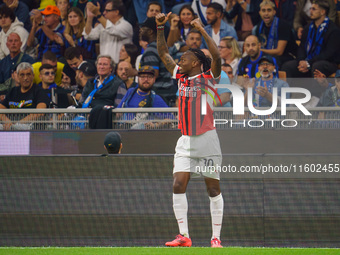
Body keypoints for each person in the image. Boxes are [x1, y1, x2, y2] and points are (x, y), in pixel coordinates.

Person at [156, 13, 224, 248]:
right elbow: (163, 53)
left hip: (207, 140)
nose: (179, 60)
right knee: (177, 185)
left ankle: (215, 238)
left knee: (213, 188)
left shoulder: (208, 78)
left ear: (195, 62)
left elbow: (216, 55)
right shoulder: (180, 78)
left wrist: (202, 30)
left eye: (183, 58)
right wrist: (160, 28)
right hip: (185, 141)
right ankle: (183, 235)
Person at [282, 0, 340, 79]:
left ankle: (315, 91)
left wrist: (308, 63)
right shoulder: (307, 28)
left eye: (314, 9)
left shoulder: (333, 30)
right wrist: (301, 61)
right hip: (308, 61)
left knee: (317, 66)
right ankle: (290, 91)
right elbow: (302, 47)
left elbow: (328, 54)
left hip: (328, 63)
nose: (310, 11)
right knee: (288, 66)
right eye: (310, 9)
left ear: (322, 12)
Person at [117, 65, 170, 129]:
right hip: (124, 129)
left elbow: (170, 119)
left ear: (154, 79)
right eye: (142, 77)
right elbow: (118, 111)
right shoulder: (130, 92)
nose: (146, 79)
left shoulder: (156, 98)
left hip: (142, 133)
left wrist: (155, 125)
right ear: (138, 79)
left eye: (149, 77)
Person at [0, 62, 49, 130]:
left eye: (28, 74)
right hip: (11, 128)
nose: (25, 78)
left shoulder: (39, 91)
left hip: (31, 129)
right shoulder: (12, 91)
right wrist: (7, 122)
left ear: (33, 76)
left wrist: (18, 124)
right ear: (17, 76)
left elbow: (40, 112)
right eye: (22, 75)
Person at [139, 17, 176, 105]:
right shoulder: (162, 48)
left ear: (150, 31)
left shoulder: (151, 50)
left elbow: (153, 73)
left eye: (143, 28)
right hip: (168, 92)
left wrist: (134, 73)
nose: (140, 31)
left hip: (159, 94)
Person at [253, 0, 298, 67]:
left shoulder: (283, 25)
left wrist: (260, 51)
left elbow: (279, 52)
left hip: (288, 56)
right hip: (267, 55)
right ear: (260, 13)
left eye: (269, 10)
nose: (266, 13)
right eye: (263, 10)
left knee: (271, 61)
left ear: (274, 12)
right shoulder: (258, 28)